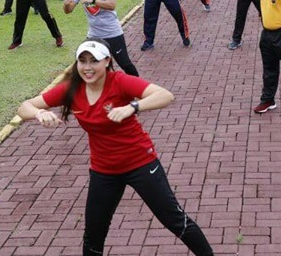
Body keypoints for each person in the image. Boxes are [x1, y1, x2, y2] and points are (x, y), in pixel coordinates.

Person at [17, 40, 214, 255]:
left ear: (107, 61)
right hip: (104, 170)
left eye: (94, 61)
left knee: (175, 221)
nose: (87, 67)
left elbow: (165, 95)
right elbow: (24, 107)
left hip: (140, 163)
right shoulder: (72, 88)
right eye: (82, 61)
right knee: (93, 234)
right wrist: (39, 113)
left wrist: (133, 106)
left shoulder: (119, 81)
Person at [64, 0, 139, 76]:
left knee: (125, 64)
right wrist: (66, 4)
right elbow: (68, 11)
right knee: (88, 64)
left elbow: (112, 5)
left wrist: (93, 1)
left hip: (112, 33)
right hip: (94, 35)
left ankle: (140, 89)